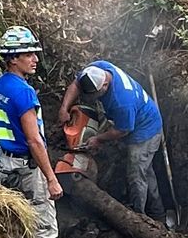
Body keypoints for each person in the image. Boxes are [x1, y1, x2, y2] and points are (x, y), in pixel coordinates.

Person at [60, 57, 170, 222]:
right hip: (134, 118)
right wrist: (64, 108)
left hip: (145, 130)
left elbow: (122, 130)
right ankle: (158, 214)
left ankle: (139, 218)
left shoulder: (122, 101)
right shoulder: (97, 69)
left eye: (94, 95)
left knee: (136, 174)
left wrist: (98, 139)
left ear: (104, 86)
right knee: (146, 172)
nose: (91, 99)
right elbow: (76, 84)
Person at [0, 27, 62, 238]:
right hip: (26, 168)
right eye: (28, 54)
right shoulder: (24, 92)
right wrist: (51, 179)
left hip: (5, 162)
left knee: (15, 219)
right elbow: (34, 140)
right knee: (43, 224)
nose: (35, 59)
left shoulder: (0, 85)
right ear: (13, 58)